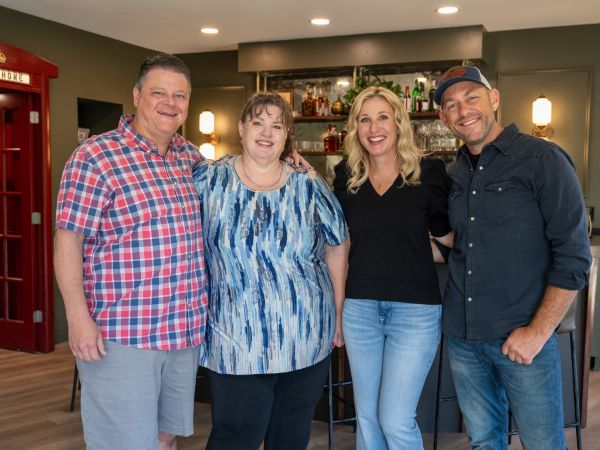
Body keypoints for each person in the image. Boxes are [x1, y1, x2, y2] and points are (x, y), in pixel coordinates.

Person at [54, 53, 208, 450]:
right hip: (122, 334)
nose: (170, 103)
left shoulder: (190, 158)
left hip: (183, 330)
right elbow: (68, 239)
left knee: (165, 437)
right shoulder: (95, 157)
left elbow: (243, 175)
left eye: (179, 95)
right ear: (137, 95)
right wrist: (77, 318)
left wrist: (288, 160)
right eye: (159, 93)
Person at [435, 65, 593, 449]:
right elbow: (458, 244)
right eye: (451, 105)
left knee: (542, 444)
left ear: (494, 98)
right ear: (443, 117)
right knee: (483, 442)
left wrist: (538, 332)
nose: (463, 110)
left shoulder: (542, 159)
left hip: (522, 337)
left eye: (471, 97)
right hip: (463, 337)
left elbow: (574, 256)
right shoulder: (452, 173)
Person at [194, 91, 349, 450]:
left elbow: (338, 244)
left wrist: (338, 313)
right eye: (258, 122)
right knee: (235, 437)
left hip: (306, 336)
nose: (266, 133)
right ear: (241, 128)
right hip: (235, 339)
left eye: (277, 126)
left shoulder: (308, 184)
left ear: (286, 135)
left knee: (290, 437)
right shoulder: (209, 181)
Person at [333, 86, 453, 449]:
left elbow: (449, 240)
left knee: (395, 419)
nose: (374, 128)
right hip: (360, 309)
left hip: (414, 311)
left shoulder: (428, 172)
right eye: (364, 119)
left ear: (399, 123)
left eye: (383, 117)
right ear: (355, 128)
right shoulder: (346, 175)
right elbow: (343, 245)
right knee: (368, 420)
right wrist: (338, 311)